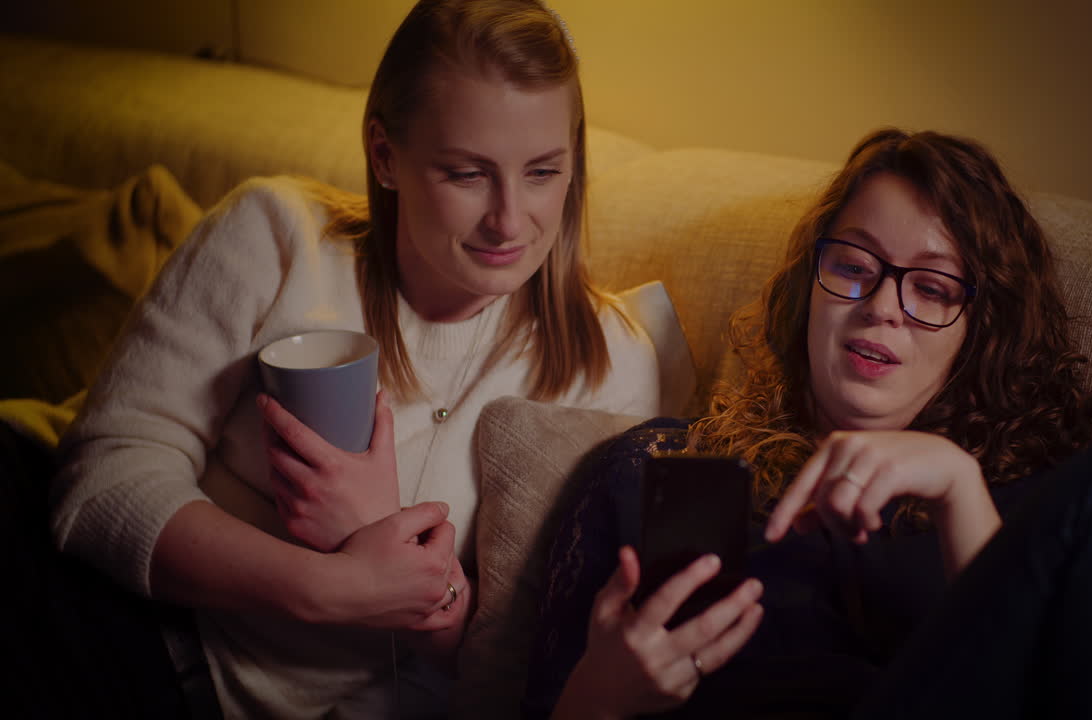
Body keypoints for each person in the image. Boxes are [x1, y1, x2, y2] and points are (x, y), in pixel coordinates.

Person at [49, 1, 660, 717]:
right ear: (384, 155)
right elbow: (99, 478)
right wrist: (325, 587)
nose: (508, 220)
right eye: (467, 174)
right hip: (145, 642)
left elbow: (536, 669)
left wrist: (388, 552)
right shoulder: (277, 237)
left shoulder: (614, 366)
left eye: (543, 172)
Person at [524, 129, 1092, 719]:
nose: (881, 306)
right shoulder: (657, 469)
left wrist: (957, 487)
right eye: (854, 266)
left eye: (932, 288)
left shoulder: (1054, 505)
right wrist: (601, 695)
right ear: (808, 287)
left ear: (981, 331)